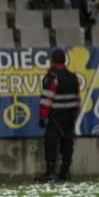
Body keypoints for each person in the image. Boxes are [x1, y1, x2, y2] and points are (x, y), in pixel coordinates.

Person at [36, 48, 80, 183]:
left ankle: (50, 173)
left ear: (53, 61)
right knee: (67, 143)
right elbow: (77, 99)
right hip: (69, 116)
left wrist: (43, 117)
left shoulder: (52, 77)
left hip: (55, 116)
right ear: (65, 61)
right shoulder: (73, 77)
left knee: (51, 142)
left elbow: (46, 99)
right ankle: (65, 172)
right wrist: (74, 115)